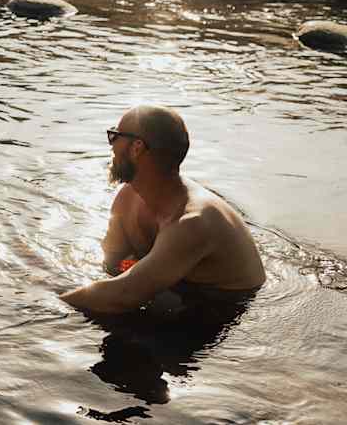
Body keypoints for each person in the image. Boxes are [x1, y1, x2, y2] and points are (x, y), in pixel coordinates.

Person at [61, 105, 266, 314]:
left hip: (217, 309)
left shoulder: (193, 222)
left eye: (115, 136)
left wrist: (47, 300)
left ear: (136, 148)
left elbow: (122, 296)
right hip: (174, 294)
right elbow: (112, 262)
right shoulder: (128, 198)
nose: (111, 146)